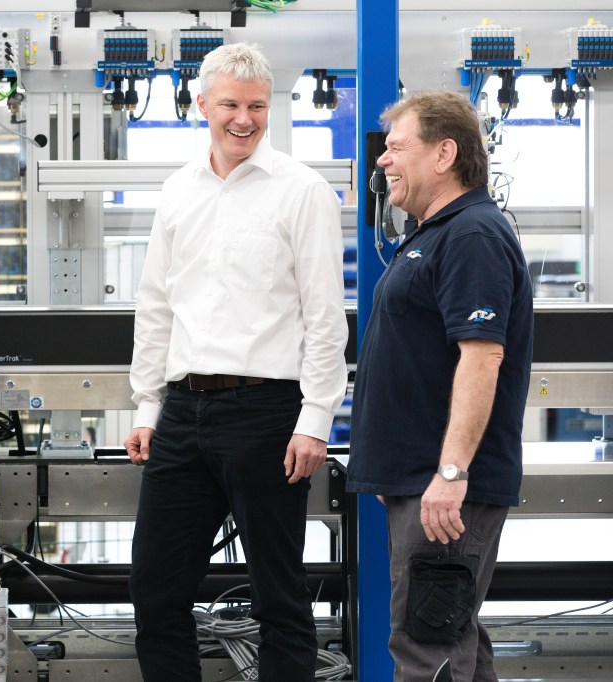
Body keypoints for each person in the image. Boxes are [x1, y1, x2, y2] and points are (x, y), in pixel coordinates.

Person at [124, 42, 349, 682]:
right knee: (156, 589)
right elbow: (156, 304)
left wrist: (315, 419)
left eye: (256, 106)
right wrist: (147, 405)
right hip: (183, 412)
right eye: (229, 105)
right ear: (202, 106)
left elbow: (324, 318)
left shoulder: (302, 191)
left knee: (280, 594)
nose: (243, 119)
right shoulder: (177, 190)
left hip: (268, 414)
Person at [346, 90, 533, 681]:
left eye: (398, 147)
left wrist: (449, 474)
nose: (383, 161)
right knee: (454, 645)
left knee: (428, 651)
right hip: (421, 479)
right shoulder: (434, 234)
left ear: (444, 153)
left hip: (447, 488)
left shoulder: (471, 235)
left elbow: (482, 357)